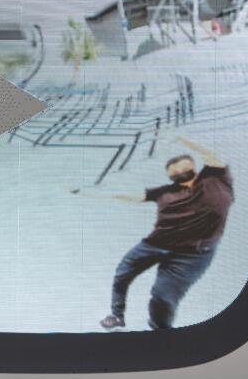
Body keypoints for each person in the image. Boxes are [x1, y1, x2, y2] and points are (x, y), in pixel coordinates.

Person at [68, 136, 233, 331]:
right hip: (155, 244)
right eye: (175, 173)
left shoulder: (215, 178)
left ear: (195, 168)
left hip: (192, 254)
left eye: (184, 169)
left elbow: (208, 154)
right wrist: (84, 192)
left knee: (163, 297)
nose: (180, 174)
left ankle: (160, 333)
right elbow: (127, 195)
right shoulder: (164, 192)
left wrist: (180, 138)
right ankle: (116, 315)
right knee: (122, 273)